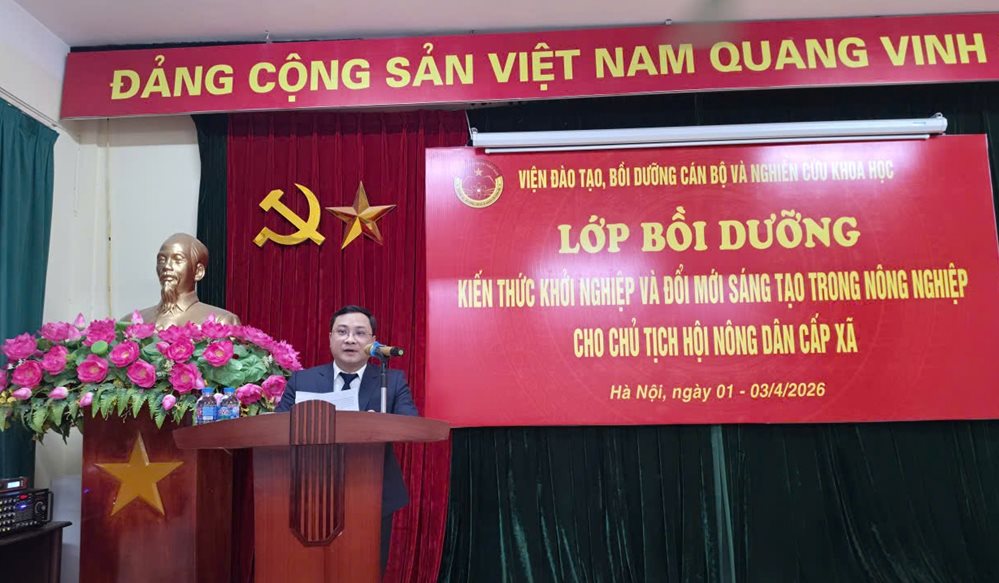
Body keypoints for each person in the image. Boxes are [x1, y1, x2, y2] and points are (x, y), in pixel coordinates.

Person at [276, 305, 418, 570]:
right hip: (311, 494)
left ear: (373, 341)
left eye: (360, 333)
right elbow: (275, 428)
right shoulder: (302, 380)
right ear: (330, 337)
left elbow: (411, 425)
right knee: (312, 570)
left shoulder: (392, 381)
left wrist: (379, 425)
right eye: (342, 332)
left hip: (373, 492)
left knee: (366, 569)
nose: (350, 339)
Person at [131, 233, 241, 328]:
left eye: (178, 259)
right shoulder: (131, 323)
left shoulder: (222, 322)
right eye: (162, 260)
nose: (166, 266)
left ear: (198, 272)